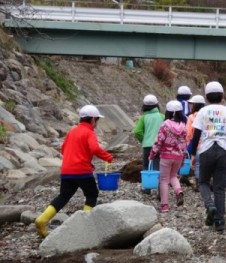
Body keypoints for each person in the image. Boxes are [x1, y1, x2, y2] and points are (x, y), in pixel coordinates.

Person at [35, 105, 114, 238]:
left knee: (63, 196)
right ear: (93, 120)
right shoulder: (89, 132)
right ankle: (85, 224)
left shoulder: (72, 131)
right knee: (92, 194)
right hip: (82, 171)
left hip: (66, 171)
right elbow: (94, 148)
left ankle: (42, 219)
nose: (96, 124)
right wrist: (108, 157)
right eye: (97, 121)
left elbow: (63, 149)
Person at [190, 81, 226, 232]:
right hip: (223, 151)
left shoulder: (203, 112)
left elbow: (196, 136)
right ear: (222, 96)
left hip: (206, 150)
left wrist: (193, 154)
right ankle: (220, 221)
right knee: (220, 187)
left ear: (206, 97)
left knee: (203, 182)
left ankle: (210, 205)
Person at [149, 100, 187, 212]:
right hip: (178, 156)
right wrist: (183, 157)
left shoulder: (165, 125)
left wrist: (152, 154)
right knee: (173, 176)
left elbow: (158, 142)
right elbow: (184, 144)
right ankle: (178, 191)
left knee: (164, 180)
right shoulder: (183, 126)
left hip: (166, 155)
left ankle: (164, 205)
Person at [133, 94, 164, 194]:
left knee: (146, 166)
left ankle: (147, 188)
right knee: (157, 165)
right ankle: (159, 188)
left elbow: (137, 131)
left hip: (147, 146)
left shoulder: (143, 118)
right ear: (157, 105)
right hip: (159, 145)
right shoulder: (162, 116)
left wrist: (144, 139)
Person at [186, 95, 206, 192]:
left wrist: (188, 143)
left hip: (197, 145)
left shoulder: (191, 117)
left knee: (197, 164)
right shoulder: (207, 115)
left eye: (191, 104)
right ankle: (207, 183)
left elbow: (188, 133)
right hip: (208, 144)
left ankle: (198, 184)